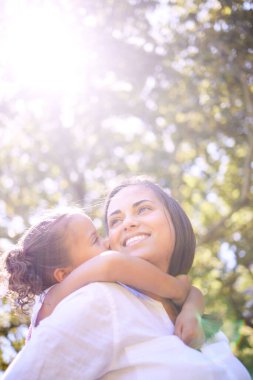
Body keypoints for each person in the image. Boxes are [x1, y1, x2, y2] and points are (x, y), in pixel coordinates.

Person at [2, 178, 250, 379]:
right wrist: (178, 289)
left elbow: (188, 289)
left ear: (175, 217)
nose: (126, 225)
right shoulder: (98, 299)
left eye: (143, 209)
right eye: (115, 221)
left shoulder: (203, 327)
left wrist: (192, 301)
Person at [5, 208, 197, 341]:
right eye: (94, 239)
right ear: (63, 274)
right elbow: (111, 263)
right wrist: (176, 289)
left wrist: (190, 309)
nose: (106, 242)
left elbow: (193, 291)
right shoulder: (50, 304)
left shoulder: (81, 289)